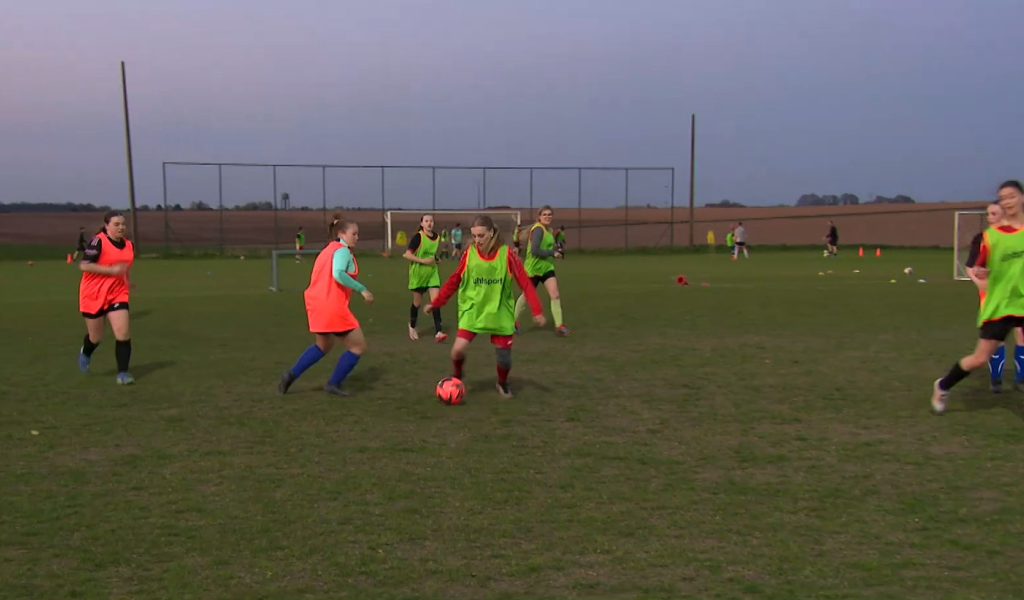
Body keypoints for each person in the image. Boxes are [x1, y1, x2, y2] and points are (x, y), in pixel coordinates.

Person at [424, 215, 545, 398]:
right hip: (473, 310)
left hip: (499, 311)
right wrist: (437, 302)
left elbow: (525, 283)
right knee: (457, 351)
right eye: (474, 236)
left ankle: (502, 383)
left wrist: (537, 310)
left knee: (504, 359)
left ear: (491, 233)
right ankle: (457, 376)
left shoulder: (506, 254)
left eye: (481, 236)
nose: (477, 240)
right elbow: (454, 280)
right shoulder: (469, 254)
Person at [931, 180, 1024, 414]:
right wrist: (981, 274)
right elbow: (977, 267)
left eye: (1012, 196)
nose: (1008, 201)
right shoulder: (990, 237)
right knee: (980, 359)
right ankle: (942, 386)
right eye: (1003, 198)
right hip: (1000, 305)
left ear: (1022, 197)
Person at [278, 215, 374, 397]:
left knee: (323, 345)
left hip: (316, 303)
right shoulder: (343, 251)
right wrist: (362, 289)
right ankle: (333, 383)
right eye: (354, 234)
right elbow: (338, 273)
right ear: (342, 234)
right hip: (332, 306)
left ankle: (290, 375)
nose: (357, 237)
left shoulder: (327, 250)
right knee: (358, 346)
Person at [965, 200, 1024, 393]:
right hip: (993, 297)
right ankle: (996, 380)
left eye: (994, 214)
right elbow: (971, 266)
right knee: (997, 337)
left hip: (1018, 295)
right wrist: (980, 282)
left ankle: (1021, 379)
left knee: (1021, 333)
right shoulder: (983, 238)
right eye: (988, 214)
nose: (990, 218)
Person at [78, 211, 136, 384]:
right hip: (93, 293)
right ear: (107, 226)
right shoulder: (98, 241)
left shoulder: (129, 245)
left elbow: (125, 267)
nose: (121, 227)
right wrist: (111, 271)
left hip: (118, 293)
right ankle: (86, 352)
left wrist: (128, 281)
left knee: (123, 333)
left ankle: (123, 374)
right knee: (96, 337)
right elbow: (84, 265)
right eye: (116, 224)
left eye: (123, 224)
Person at [514, 206, 570, 336]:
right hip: (533, 269)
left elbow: (547, 246)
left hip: (546, 267)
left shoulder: (549, 230)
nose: (547, 217)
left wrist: (556, 251)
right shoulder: (538, 229)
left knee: (555, 294)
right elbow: (535, 250)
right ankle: (513, 322)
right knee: (526, 297)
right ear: (539, 216)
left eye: (549, 214)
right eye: (545, 214)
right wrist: (552, 253)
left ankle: (559, 326)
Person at [404, 214, 446, 342]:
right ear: (422, 224)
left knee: (436, 301)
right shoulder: (418, 237)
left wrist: (436, 259)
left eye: (431, 221)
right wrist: (423, 261)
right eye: (426, 221)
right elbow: (407, 255)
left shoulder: (437, 237)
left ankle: (439, 331)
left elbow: (432, 253)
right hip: (419, 273)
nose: (429, 223)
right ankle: (412, 326)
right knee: (417, 303)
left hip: (432, 272)